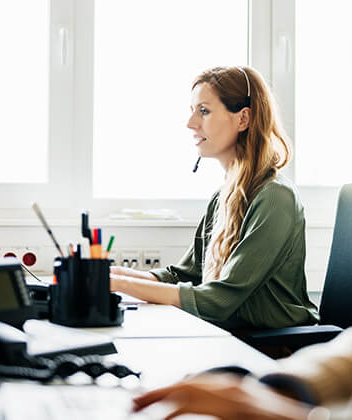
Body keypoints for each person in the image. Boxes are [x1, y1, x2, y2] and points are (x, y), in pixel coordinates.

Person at [110, 66, 318, 330]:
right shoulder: (222, 196)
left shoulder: (276, 198)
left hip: (274, 348)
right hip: (233, 336)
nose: (190, 123)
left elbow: (218, 300)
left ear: (243, 119)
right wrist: (113, 274)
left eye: (204, 111)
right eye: (192, 111)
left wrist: (119, 285)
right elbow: (184, 275)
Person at [132, 291, 352, 420]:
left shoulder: (272, 196)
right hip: (294, 367)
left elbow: (220, 298)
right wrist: (280, 391)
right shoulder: (224, 197)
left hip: (266, 330)